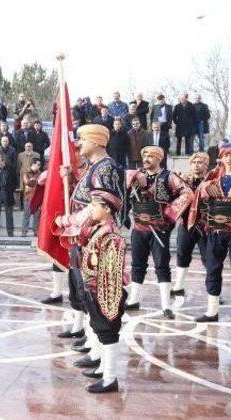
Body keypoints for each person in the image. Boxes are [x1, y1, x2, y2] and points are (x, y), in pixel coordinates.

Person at [54, 124, 125, 360]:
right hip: (83, 237)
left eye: (83, 139)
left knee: (95, 297)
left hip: (94, 239)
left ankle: (99, 353)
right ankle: (94, 347)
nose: (79, 144)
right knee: (83, 293)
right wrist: (72, 178)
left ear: (96, 141)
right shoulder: (94, 167)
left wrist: (69, 221)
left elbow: (101, 206)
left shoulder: (105, 168)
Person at [124, 146, 193, 319]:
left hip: (159, 229)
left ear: (159, 159)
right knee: (137, 265)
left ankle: (165, 305)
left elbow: (187, 193)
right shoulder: (136, 175)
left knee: (162, 266)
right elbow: (121, 185)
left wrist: (170, 213)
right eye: (144, 155)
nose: (146, 158)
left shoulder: (169, 177)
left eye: (151, 156)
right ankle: (133, 300)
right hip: (139, 228)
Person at [77, 189, 127, 394]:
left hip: (104, 292)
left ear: (106, 209)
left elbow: (112, 275)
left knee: (108, 332)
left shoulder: (111, 235)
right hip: (94, 289)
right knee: (100, 330)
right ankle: (103, 369)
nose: (91, 209)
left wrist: (108, 301)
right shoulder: (98, 229)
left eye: (95, 205)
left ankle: (110, 378)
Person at [187, 141, 231, 322]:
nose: (229, 158)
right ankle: (212, 311)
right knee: (212, 268)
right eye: (226, 155)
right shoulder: (212, 180)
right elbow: (200, 203)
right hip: (216, 231)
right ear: (221, 158)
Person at [172, 152, 209, 298]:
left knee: (209, 258)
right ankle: (179, 286)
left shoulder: (211, 180)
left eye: (200, 162)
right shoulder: (183, 180)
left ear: (206, 165)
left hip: (205, 225)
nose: (196, 165)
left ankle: (213, 290)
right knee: (182, 254)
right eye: (194, 162)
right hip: (186, 223)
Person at [0, 154, 18, 237]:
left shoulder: (11, 169)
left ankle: (10, 231)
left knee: (9, 213)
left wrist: (10, 190)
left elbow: (14, 182)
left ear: (3, 161)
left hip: (7, 193)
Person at [22, 159, 42, 237]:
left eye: (40, 165)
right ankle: (24, 231)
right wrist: (36, 181)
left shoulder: (40, 173)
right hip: (28, 196)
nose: (39, 166)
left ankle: (36, 231)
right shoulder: (26, 173)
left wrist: (35, 181)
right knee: (26, 214)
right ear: (33, 165)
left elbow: (42, 183)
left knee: (37, 215)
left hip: (37, 197)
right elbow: (28, 183)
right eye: (38, 164)